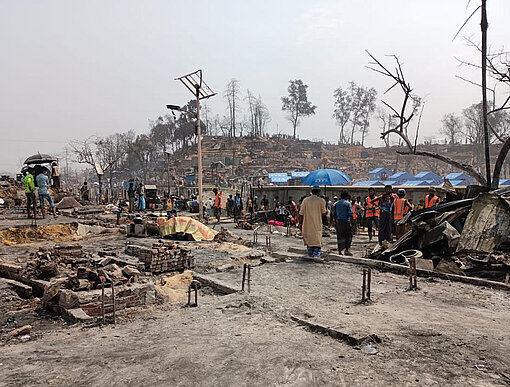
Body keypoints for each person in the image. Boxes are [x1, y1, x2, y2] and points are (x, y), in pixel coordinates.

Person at [299, 186, 327, 258]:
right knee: (317, 239)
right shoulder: (321, 201)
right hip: (317, 224)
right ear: (318, 192)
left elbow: (301, 214)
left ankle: (310, 254)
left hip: (307, 224)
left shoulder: (305, 200)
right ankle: (316, 254)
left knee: (309, 239)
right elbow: (323, 213)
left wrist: (300, 223)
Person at [334, 191, 354, 256]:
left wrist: (334, 222)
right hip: (346, 222)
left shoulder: (336, 203)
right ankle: (347, 250)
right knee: (348, 236)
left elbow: (334, 214)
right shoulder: (348, 203)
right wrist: (351, 223)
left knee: (340, 236)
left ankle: (340, 251)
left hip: (339, 222)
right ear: (346, 196)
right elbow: (350, 214)